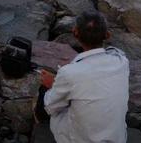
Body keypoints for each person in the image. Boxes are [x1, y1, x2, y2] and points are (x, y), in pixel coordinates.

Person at [36, 11, 129, 143]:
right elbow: (114, 52)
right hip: (117, 138)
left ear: (75, 32)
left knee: (47, 97)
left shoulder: (69, 72)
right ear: (107, 35)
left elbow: (50, 106)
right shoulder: (121, 61)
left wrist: (51, 86)